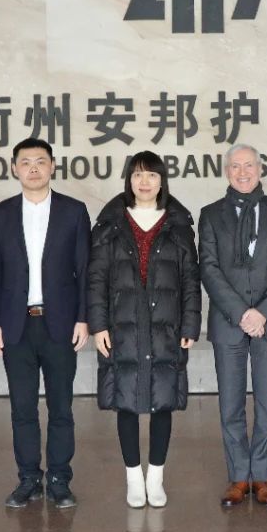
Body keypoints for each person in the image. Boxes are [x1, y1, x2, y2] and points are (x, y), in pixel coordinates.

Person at [88, 151, 201, 509]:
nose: (145, 182)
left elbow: (190, 280)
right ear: (129, 180)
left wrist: (190, 324)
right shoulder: (109, 224)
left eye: (152, 175)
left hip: (166, 325)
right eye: (137, 175)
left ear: (162, 180)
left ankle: (156, 478)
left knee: (162, 401)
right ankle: (134, 479)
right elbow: (96, 279)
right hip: (122, 325)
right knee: (125, 401)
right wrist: (98, 325)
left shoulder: (178, 224)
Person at [0, 138, 90, 509]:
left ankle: (60, 479)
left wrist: (83, 318)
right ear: (14, 168)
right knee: (22, 409)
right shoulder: (0, 213)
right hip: (16, 325)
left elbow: (85, 269)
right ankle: (28, 478)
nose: (33, 168)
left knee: (61, 407)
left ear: (52, 166)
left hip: (59, 323)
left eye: (40, 161)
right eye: (26, 161)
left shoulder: (73, 211)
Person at [198, 144, 267, 507]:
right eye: (236, 166)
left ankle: (262, 476)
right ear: (227, 171)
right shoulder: (211, 214)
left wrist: (262, 313)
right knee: (231, 403)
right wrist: (242, 312)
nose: (243, 172)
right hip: (229, 322)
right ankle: (239, 476)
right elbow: (208, 267)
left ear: (260, 169)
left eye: (249, 166)